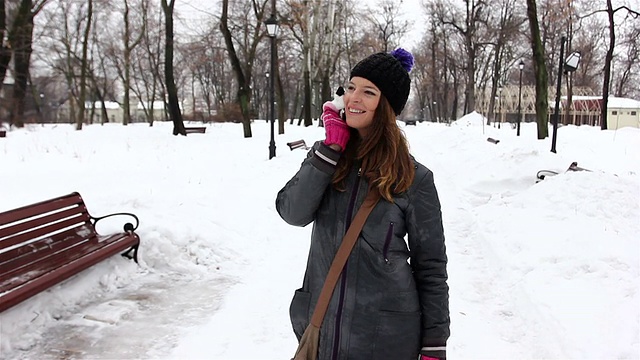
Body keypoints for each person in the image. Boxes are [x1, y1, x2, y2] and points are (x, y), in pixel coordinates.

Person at [276, 48, 450, 360]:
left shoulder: (414, 178)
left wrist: (434, 344)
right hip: (323, 331)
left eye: (368, 92)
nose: (354, 98)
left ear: (386, 106)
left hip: (384, 339)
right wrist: (330, 149)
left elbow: (432, 267)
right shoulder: (327, 159)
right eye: (351, 88)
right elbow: (292, 212)